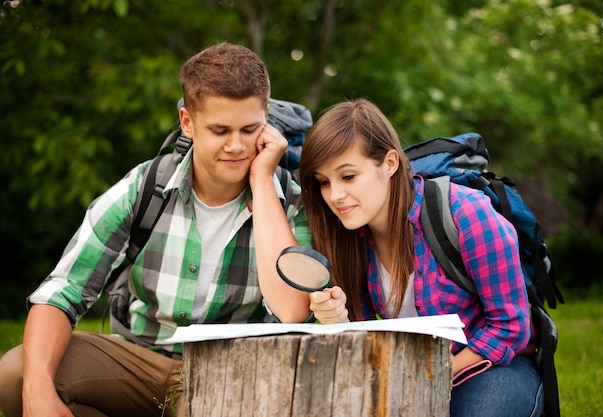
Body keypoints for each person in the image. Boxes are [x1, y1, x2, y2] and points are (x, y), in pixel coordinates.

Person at [0, 42, 313, 417]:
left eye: (250, 129)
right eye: (219, 130)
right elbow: (62, 292)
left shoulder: (290, 200)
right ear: (188, 123)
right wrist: (37, 393)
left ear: (266, 118)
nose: (237, 146)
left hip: (230, 370)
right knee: (17, 375)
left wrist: (263, 181)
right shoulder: (144, 187)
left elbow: (293, 310)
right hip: (137, 358)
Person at [298, 98, 544, 417]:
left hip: (492, 367)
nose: (334, 195)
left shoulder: (466, 214)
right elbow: (363, 342)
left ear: (389, 163)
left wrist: (431, 379)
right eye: (323, 182)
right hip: (405, 374)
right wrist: (338, 320)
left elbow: (511, 326)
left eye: (348, 177)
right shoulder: (349, 238)